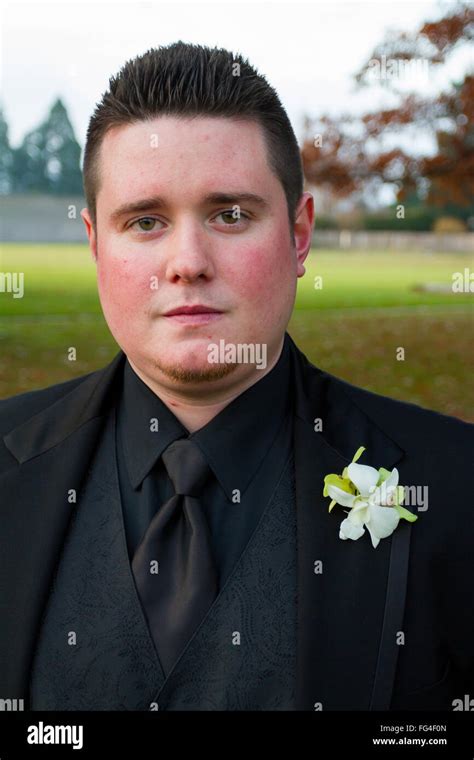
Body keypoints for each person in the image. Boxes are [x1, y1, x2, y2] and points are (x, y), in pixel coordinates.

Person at [0, 41, 472, 712]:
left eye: (230, 215)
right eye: (145, 221)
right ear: (96, 245)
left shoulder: (456, 485)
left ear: (299, 237)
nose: (188, 261)